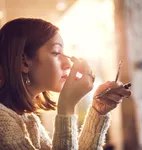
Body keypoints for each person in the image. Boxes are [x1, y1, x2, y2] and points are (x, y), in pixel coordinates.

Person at [0, 18, 131, 150]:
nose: (68, 64)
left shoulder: (28, 119)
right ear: (24, 62)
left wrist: (98, 111)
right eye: (56, 52)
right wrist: (66, 107)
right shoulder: (2, 122)